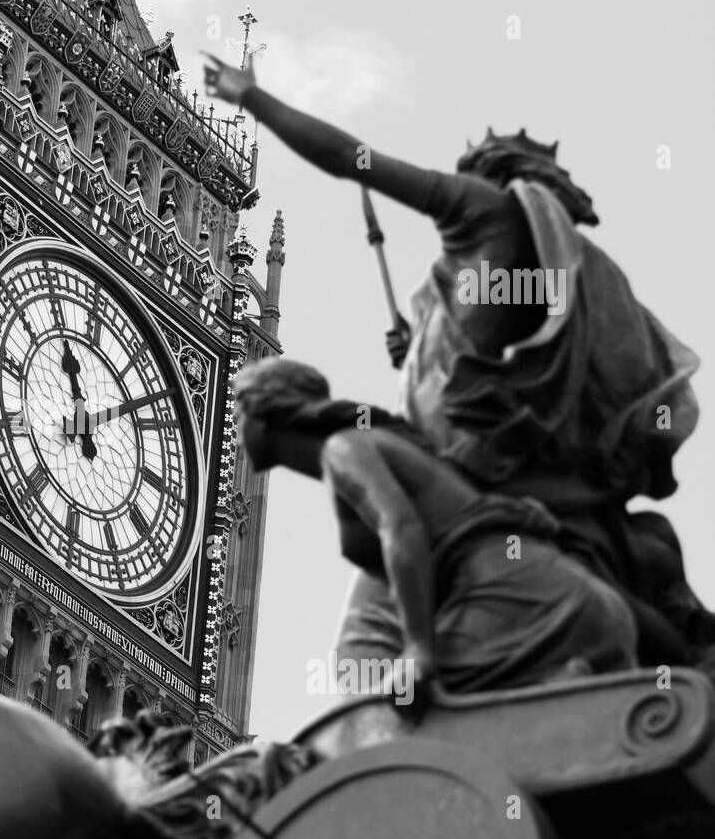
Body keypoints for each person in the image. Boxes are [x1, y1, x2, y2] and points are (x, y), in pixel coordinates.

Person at [204, 53, 708, 674]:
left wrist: (251, 97)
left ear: (482, 176)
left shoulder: (478, 208)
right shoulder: (549, 258)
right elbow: (481, 347)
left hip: (463, 468)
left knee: (362, 647)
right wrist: (416, 347)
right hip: (517, 466)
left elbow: (352, 159)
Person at [233, 357, 638, 696]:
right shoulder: (363, 444)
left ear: (265, 414)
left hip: (526, 601)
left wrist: (418, 651)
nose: (232, 427)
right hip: (564, 599)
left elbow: (401, 529)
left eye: (237, 411)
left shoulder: (344, 449)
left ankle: (557, 693)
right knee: (367, 691)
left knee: (388, 712)